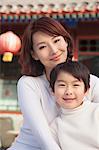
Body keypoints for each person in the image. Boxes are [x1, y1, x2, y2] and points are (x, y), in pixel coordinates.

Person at [7, 17, 99, 150]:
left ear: (66, 42)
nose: (54, 50)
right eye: (43, 46)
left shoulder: (92, 82)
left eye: (56, 40)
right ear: (34, 54)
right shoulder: (29, 84)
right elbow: (44, 138)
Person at [50, 61, 99, 150]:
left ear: (86, 90)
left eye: (75, 85)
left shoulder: (96, 112)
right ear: (52, 90)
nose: (69, 91)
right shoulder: (55, 127)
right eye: (62, 85)